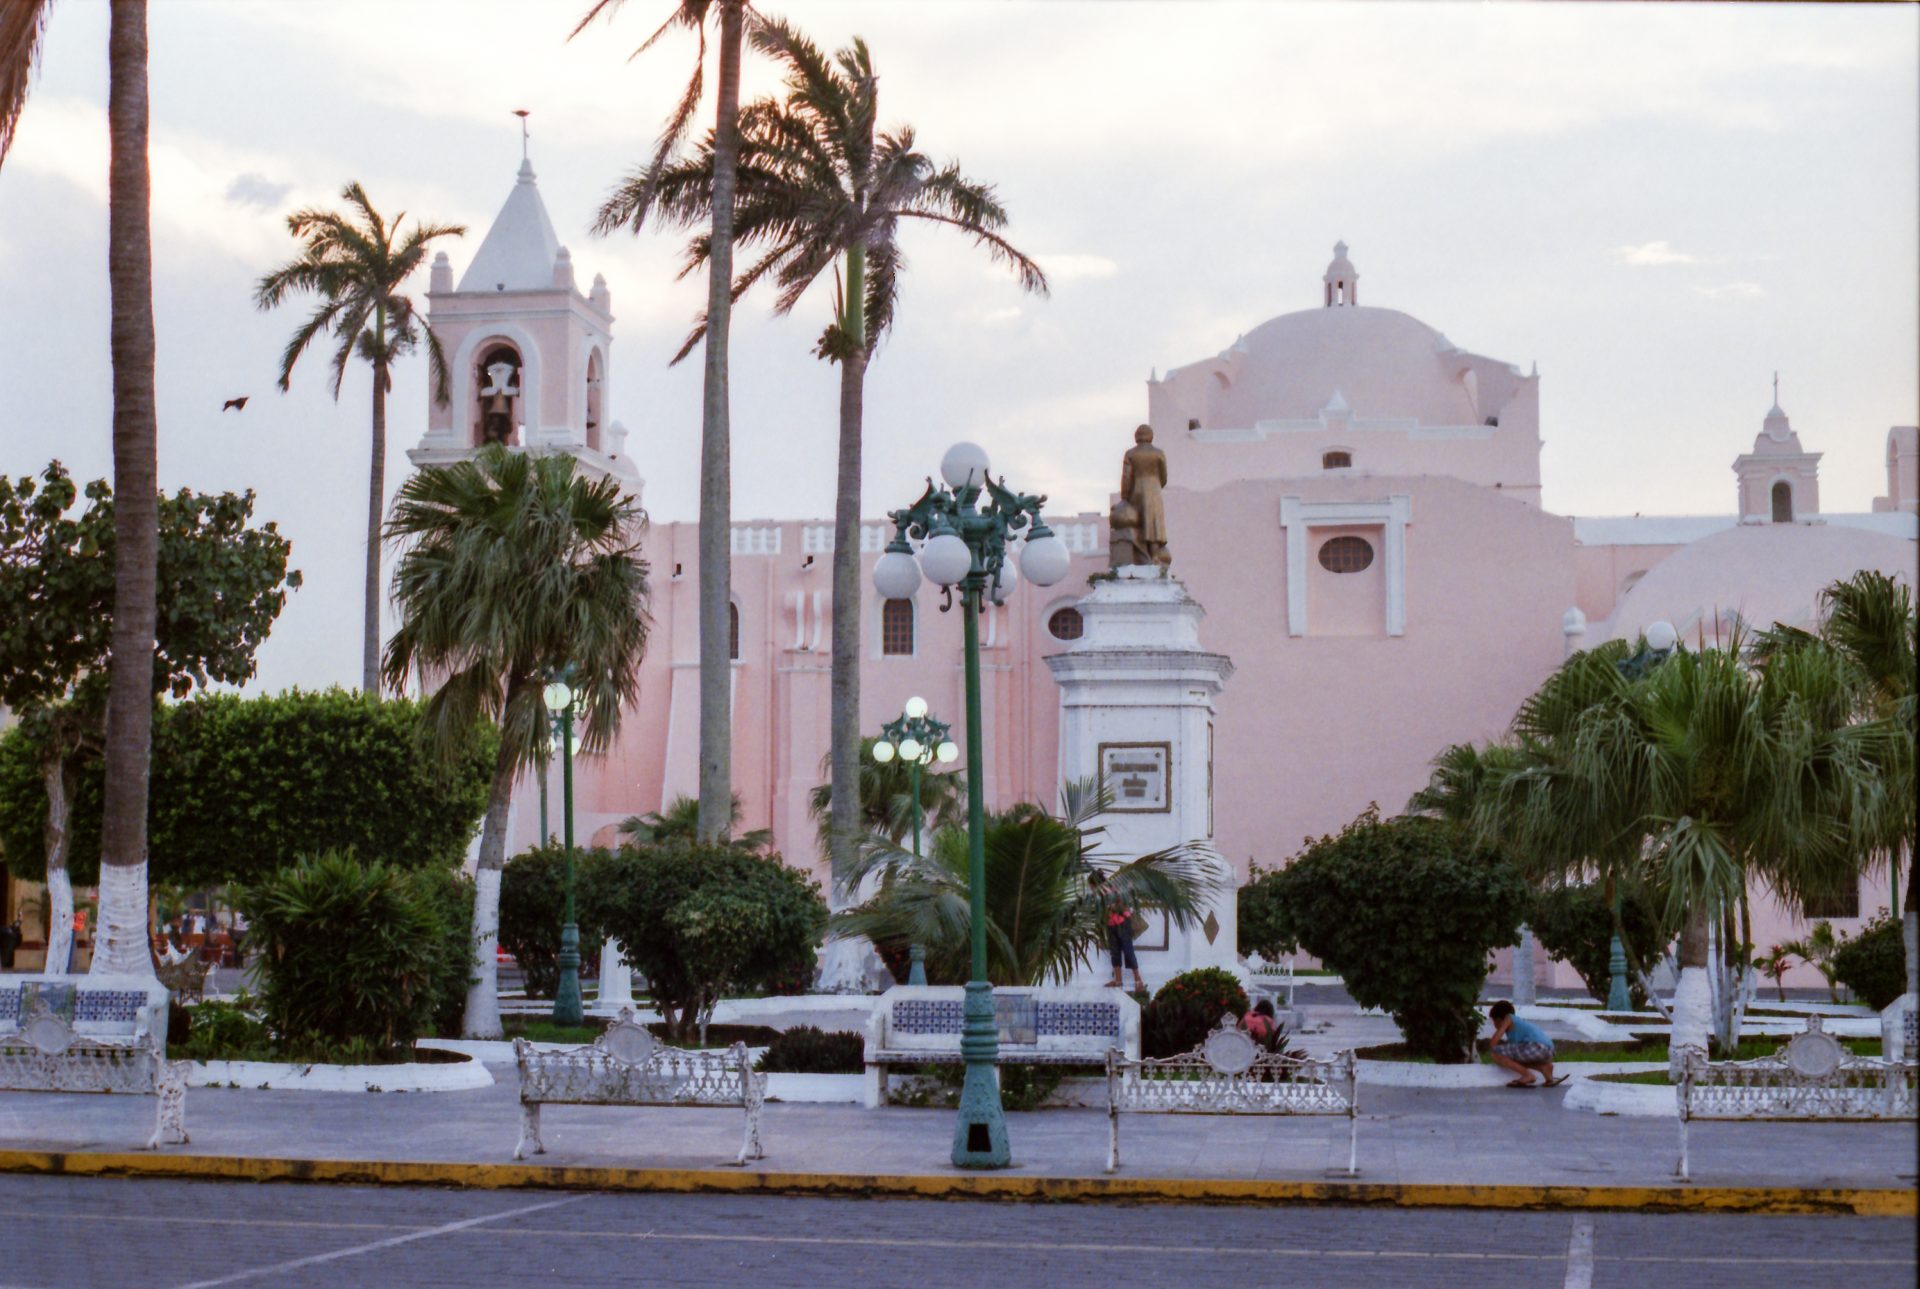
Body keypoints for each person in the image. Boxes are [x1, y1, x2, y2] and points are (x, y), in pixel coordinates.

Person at [1088, 871, 1146, 992]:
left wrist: (1110, 907)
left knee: (1128, 950)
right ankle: (1118, 980)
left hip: (1122, 923)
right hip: (1110, 924)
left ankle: (1138, 980)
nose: (1091, 888)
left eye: (1091, 885)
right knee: (1114, 952)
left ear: (1096, 883)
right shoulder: (1098, 894)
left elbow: (1123, 905)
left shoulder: (1113, 889)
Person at [1486, 999, 1565, 1087]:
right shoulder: (1517, 1027)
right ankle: (1544, 1068)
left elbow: (1494, 1042)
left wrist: (1493, 1050)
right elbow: (1514, 1054)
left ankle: (1527, 1075)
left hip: (1535, 1047)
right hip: (1549, 1049)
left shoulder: (1508, 1018)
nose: (1494, 1024)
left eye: (1494, 1021)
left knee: (1496, 1054)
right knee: (1511, 1059)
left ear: (1499, 1018)